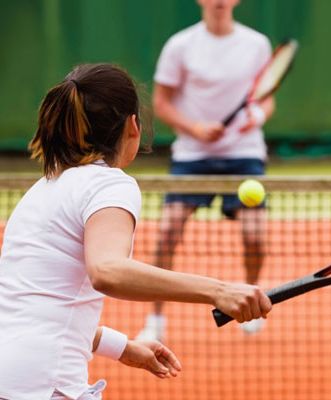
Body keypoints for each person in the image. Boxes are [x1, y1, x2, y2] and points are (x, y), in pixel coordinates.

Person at [0, 63, 272, 400]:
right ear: (133, 124)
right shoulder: (109, 184)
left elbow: (38, 310)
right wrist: (219, 290)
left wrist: (122, 347)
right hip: (44, 384)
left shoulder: (43, 189)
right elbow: (107, 270)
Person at [136, 0, 275, 341]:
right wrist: (195, 128)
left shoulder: (256, 44)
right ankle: (155, 320)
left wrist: (256, 118)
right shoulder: (180, 45)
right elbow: (162, 102)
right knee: (167, 234)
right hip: (192, 156)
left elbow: (266, 97)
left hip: (244, 155)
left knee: (255, 237)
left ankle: (251, 301)